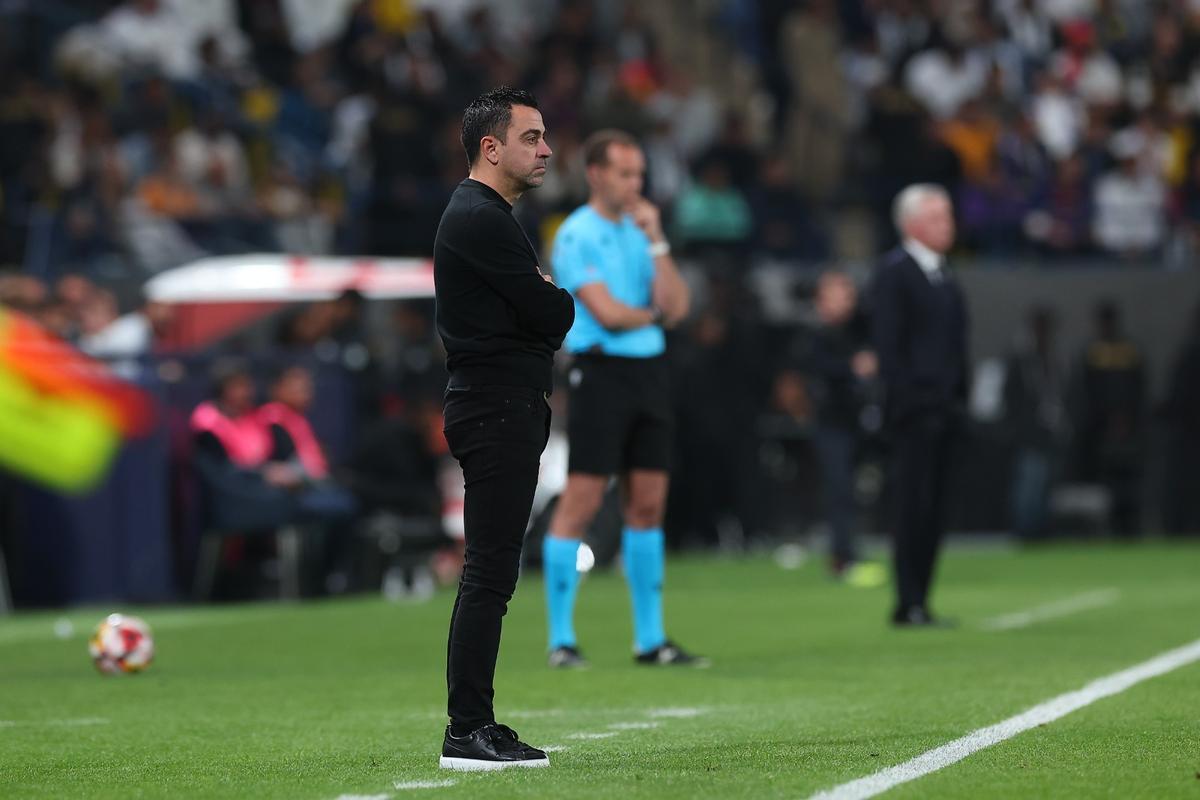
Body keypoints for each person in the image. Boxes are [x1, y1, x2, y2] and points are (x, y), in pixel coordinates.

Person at [433, 87, 574, 771]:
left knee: (492, 570)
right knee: (490, 570)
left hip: (500, 404)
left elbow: (539, 311)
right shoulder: (482, 218)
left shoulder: (485, 216)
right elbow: (553, 316)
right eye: (532, 137)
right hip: (495, 405)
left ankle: (473, 723)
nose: (546, 149)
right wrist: (551, 296)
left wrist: (543, 298)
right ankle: (468, 729)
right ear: (491, 148)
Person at [543, 129, 697, 669]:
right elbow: (607, 315)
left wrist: (657, 240)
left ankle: (650, 640)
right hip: (600, 372)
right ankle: (561, 638)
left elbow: (679, 306)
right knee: (582, 499)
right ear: (596, 174)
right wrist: (653, 316)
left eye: (640, 174)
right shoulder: (575, 235)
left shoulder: (641, 229)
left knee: (648, 503)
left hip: (649, 373)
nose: (636, 185)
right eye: (626, 173)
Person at [870, 184, 969, 627]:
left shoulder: (944, 274)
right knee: (913, 505)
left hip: (945, 410)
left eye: (947, 216)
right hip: (914, 413)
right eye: (936, 217)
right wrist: (911, 400)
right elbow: (889, 350)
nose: (947, 225)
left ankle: (922, 599)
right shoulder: (895, 273)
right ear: (910, 224)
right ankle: (907, 600)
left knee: (936, 507)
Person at [798, 271, 885, 585]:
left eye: (848, 295)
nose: (845, 302)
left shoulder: (859, 329)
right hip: (830, 423)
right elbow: (816, 368)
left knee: (853, 489)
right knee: (839, 489)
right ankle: (842, 556)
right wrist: (852, 367)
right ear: (821, 300)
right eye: (837, 295)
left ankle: (849, 551)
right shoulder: (815, 334)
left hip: (857, 422)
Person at [1073, 301, 1145, 537]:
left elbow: (1138, 388)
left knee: (1128, 484)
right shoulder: (1093, 353)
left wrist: (1127, 418)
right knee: (1105, 484)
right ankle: (1109, 528)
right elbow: (1084, 392)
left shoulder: (1128, 351)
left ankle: (1128, 527)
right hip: (1100, 432)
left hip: (1127, 431)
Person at [1003, 307, 1068, 542]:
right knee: (1029, 484)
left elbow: (1061, 396)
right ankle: (1025, 531)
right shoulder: (1022, 362)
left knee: (1046, 486)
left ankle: (1042, 531)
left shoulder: (1055, 361)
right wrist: (1018, 428)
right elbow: (1011, 399)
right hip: (1029, 434)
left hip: (1052, 433)